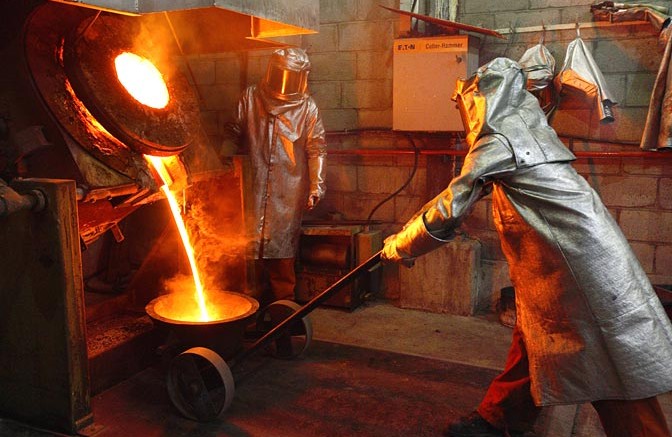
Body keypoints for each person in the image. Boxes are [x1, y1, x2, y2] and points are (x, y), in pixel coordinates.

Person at [381, 57, 672, 437]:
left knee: (609, 365)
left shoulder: (498, 140)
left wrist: (397, 246)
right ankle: (499, 416)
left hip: (580, 271)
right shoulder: (528, 131)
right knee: (534, 334)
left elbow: (448, 208)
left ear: (482, 100)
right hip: (571, 260)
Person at [223, 47, 327, 307]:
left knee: (281, 258)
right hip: (251, 188)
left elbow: (317, 149)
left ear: (301, 78)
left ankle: (282, 316)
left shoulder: (307, 108)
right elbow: (231, 133)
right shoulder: (250, 97)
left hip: (287, 192)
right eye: (280, 75)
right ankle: (245, 315)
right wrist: (223, 170)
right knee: (246, 257)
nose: (283, 83)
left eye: (290, 77)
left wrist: (317, 186)